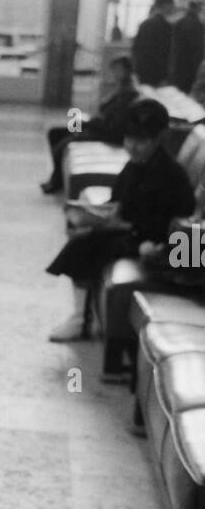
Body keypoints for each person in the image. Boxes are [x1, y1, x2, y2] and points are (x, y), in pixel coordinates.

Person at [45, 98, 195, 342]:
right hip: (134, 230)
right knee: (85, 239)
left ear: (158, 139)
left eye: (141, 141)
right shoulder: (137, 164)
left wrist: (124, 225)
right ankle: (83, 315)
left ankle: (83, 320)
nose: (132, 147)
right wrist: (98, 215)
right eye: (129, 139)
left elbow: (171, 223)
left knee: (86, 245)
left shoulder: (170, 175)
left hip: (158, 243)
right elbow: (121, 199)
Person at [40, 55, 138, 195]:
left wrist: (87, 126)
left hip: (106, 134)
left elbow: (113, 123)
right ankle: (56, 178)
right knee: (55, 133)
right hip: (98, 127)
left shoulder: (127, 92)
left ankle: (56, 181)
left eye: (117, 69)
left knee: (62, 144)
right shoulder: (122, 89)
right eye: (113, 69)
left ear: (126, 71)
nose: (114, 73)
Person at [132, 0, 175, 86]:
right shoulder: (166, 27)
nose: (172, 8)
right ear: (166, 6)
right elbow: (164, 53)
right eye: (171, 5)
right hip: (157, 76)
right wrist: (164, 76)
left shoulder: (144, 24)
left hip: (141, 72)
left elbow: (136, 49)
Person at [171, 0, 205, 95]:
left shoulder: (179, 23)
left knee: (179, 92)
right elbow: (198, 48)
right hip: (193, 66)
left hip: (179, 65)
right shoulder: (198, 25)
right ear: (196, 9)